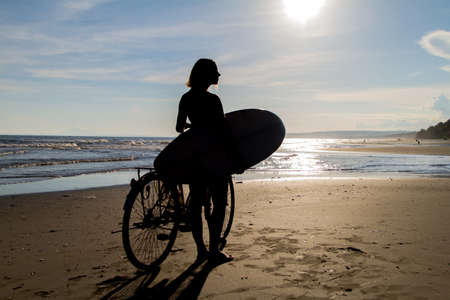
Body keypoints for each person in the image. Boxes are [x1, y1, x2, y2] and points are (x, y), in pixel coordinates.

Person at [175, 58, 233, 263]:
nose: (218, 76)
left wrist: (195, 126)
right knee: (218, 204)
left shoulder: (185, 98)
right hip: (214, 157)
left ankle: (201, 250)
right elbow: (223, 130)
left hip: (194, 156)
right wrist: (236, 158)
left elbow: (179, 127)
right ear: (207, 75)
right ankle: (214, 250)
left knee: (196, 204)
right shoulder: (213, 101)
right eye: (216, 72)